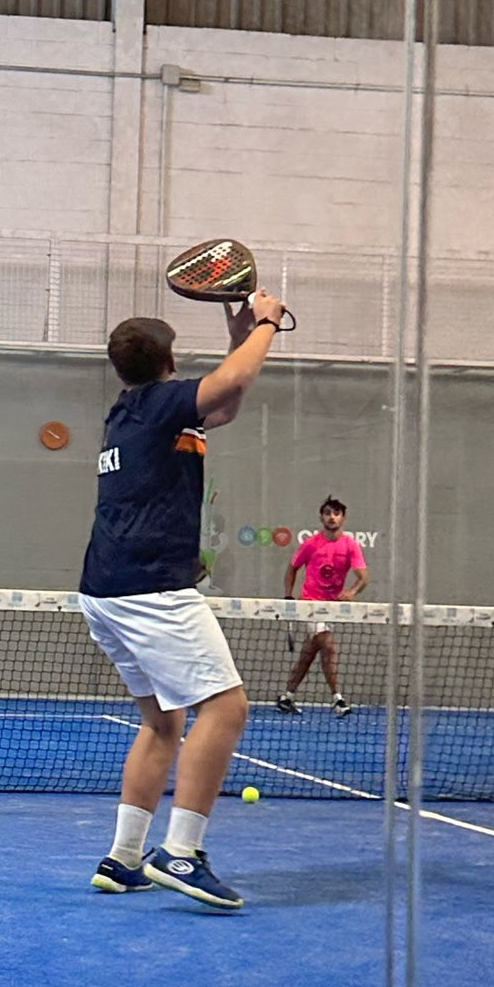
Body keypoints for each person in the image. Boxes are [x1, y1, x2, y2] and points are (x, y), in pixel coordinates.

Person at [79, 289, 289, 911]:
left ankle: (123, 858)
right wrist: (268, 323)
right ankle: (181, 853)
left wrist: (237, 336)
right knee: (226, 708)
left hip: (104, 591)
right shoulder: (160, 403)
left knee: (162, 723)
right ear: (168, 363)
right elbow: (235, 379)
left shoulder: (127, 413)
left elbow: (224, 402)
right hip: (150, 589)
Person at [276, 498, 367, 715]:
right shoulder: (311, 544)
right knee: (328, 645)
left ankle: (287, 696)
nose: (332, 517)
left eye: (336, 513)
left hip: (332, 608)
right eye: (327, 513)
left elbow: (364, 577)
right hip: (310, 604)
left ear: (343, 518)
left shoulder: (350, 545)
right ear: (321, 517)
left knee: (309, 652)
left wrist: (351, 592)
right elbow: (292, 568)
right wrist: (288, 596)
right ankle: (338, 699)